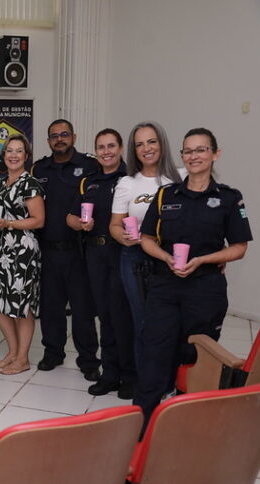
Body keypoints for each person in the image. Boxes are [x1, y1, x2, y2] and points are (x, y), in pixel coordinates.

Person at [135, 127, 251, 422]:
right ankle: (141, 425)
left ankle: (190, 422)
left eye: (201, 150)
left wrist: (202, 260)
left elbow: (238, 247)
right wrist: (166, 257)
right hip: (164, 287)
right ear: (182, 157)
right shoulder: (166, 195)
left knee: (197, 358)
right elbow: (147, 238)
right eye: (188, 151)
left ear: (215, 154)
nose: (194, 156)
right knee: (155, 355)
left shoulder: (229, 199)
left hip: (205, 289)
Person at [28, 119, 101, 381]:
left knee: (82, 309)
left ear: (74, 136)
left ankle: (89, 359)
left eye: (64, 134)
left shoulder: (90, 165)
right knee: (50, 307)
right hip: (47, 250)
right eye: (54, 136)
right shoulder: (38, 168)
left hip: (79, 251)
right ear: (48, 141)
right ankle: (53, 353)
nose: (59, 139)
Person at [66, 129, 136, 399]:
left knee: (124, 317)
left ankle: (130, 376)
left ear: (120, 149)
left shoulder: (132, 180)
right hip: (95, 255)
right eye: (101, 147)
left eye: (111, 146)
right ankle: (110, 374)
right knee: (105, 316)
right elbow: (70, 218)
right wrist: (81, 224)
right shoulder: (88, 181)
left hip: (124, 253)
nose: (106, 151)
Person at [109, 121, 183, 371]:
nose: (146, 148)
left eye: (151, 141)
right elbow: (115, 226)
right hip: (136, 259)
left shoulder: (180, 177)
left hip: (173, 259)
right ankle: (148, 384)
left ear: (162, 143)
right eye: (139, 144)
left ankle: (172, 382)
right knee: (144, 321)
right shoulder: (128, 183)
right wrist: (125, 238)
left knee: (172, 321)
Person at [0, 134, 44, 375]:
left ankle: (23, 358)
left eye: (19, 151)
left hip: (22, 252)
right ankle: (12, 351)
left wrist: (9, 224)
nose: (13, 155)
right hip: (0, 251)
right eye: (9, 150)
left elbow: (39, 220)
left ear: (26, 156)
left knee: (21, 306)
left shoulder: (31, 184)